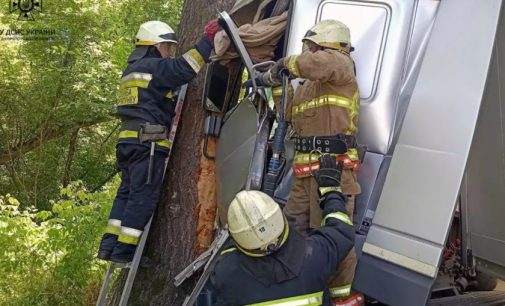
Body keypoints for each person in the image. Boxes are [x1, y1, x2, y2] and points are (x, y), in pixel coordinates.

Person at [97, 20, 221, 263]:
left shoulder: (130, 72)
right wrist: (208, 40)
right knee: (142, 196)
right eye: (166, 46)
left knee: (125, 194)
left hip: (127, 143)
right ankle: (125, 252)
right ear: (154, 45)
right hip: (148, 143)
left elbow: (149, 99)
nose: (169, 51)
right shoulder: (155, 66)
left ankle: (109, 245)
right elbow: (184, 68)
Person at [255, 19, 361, 300]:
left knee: (335, 239)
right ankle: (298, 291)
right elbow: (286, 113)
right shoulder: (306, 87)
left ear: (327, 45)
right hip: (303, 176)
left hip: (333, 174)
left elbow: (316, 64)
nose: (308, 53)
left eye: (312, 47)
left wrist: (282, 65)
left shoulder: (341, 65)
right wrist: (276, 84)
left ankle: (341, 298)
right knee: (291, 233)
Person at [207, 155, 361, 306]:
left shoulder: (226, 273)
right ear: (280, 219)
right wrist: (332, 192)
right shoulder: (315, 256)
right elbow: (341, 229)